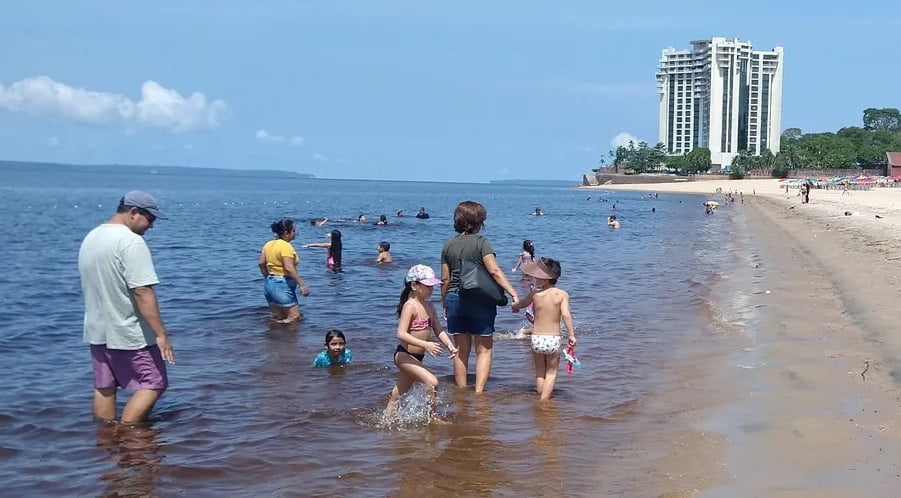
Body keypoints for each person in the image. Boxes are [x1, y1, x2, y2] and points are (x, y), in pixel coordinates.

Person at [78, 191, 175, 424]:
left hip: (96, 329)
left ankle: (105, 440)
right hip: (129, 330)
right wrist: (161, 334)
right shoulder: (131, 241)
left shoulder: (92, 237)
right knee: (154, 383)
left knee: (105, 386)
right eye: (149, 220)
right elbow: (142, 290)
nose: (151, 227)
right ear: (133, 212)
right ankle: (128, 434)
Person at [441, 201, 519, 393]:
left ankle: (460, 392)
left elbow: (444, 278)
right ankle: (478, 393)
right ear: (478, 222)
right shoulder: (482, 242)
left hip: (454, 297)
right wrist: (513, 292)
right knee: (484, 349)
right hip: (479, 299)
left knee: (460, 350)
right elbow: (494, 270)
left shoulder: (448, 245)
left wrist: (445, 302)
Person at [386, 265, 458, 415]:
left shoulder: (430, 306)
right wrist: (426, 344)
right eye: (428, 286)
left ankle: (386, 420)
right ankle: (431, 416)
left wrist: (450, 345)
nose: (431, 290)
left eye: (433, 286)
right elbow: (401, 334)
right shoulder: (410, 306)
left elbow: (438, 330)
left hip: (418, 357)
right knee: (432, 382)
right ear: (414, 285)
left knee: (397, 394)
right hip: (404, 355)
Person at [511, 258, 575, 401]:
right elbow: (565, 314)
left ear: (545, 279)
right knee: (551, 372)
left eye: (538, 276)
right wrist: (571, 335)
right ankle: (544, 402)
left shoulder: (535, 294)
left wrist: (514, 306)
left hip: (536, 338)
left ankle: (541, 395)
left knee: (540, 372)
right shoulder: (562, 295)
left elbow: (521, 304)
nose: (535, 278)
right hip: (552, 339)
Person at [259, 219, 310, 323]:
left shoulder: (268, 244)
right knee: (294, 319)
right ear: (286, 233)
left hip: (269, 284)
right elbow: (288, 267)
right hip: (282, 284)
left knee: (277, 317)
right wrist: (302, 285)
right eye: (294, 231)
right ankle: (290, 339)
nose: (295, 233)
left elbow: (261, 264)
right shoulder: (286, 246)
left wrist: (268, 277)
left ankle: (275, 337)